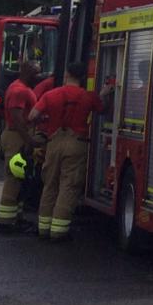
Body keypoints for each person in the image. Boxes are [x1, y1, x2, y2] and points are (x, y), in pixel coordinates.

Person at [30, 62, 110, 242]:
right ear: (82, 77)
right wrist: (104, 94)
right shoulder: (88, 97)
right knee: (69, 186)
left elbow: (32, 116)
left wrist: (46, 121)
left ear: (66, 74)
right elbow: (103, 109)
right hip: (77, 143)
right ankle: (58, 231)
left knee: (50, 184)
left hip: (54, 141)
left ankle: (43, 228)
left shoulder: (51, 95)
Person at [0, 60, 41, 233]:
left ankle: (16, 218)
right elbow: (17, 118)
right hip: (16, 137)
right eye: (36, 73)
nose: (38, 76)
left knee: (21, 179)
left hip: (18, 136)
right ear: (27, 72)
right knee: (14, 179)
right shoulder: (19, 91)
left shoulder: (19, 87)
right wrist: (29, 139)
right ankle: (6, 223)